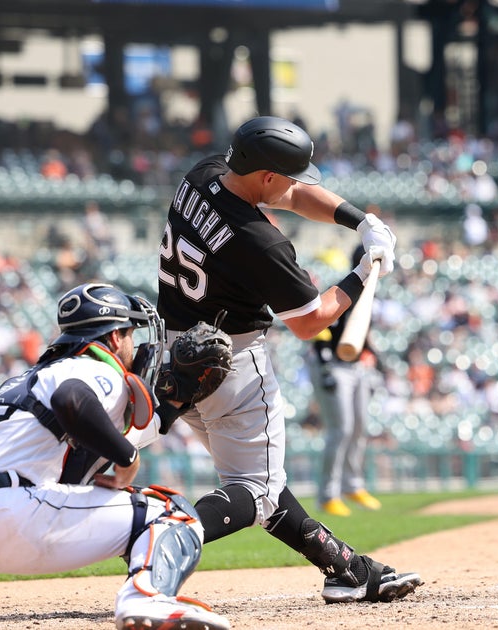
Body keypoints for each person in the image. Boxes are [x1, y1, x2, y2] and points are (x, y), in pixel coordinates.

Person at [156, 115, 422, 604]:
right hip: (228, 365)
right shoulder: (260, 241)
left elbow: (292, 195)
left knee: (262, 483)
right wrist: (363, 270)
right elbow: (310, 321)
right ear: (267, 177)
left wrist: (361, 220)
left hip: (172, 355)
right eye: (290, 175)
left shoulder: (204, 172)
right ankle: (167, 536)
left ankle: (348, 570)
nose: (299, 184)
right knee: (254, 491)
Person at [0, 283, 229, 630]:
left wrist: (170, 408)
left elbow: (74, 467)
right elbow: (72, 399)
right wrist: (128, 459)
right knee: (172, 512)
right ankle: (147, 596)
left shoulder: (24, 379)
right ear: (114, 338)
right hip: (1, 512)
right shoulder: (94, 369)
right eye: (130, 333)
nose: (134, 344)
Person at [308, 244, 384, 517]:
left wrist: (378, 358)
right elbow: (322, 328)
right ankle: (328, 495)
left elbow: (362, 333)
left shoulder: (369, 292)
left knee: (360, 426)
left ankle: (353, 485)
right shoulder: (342, 288)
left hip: (355, 366)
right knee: (341, 429)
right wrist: (326, 365)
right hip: (333, 364)